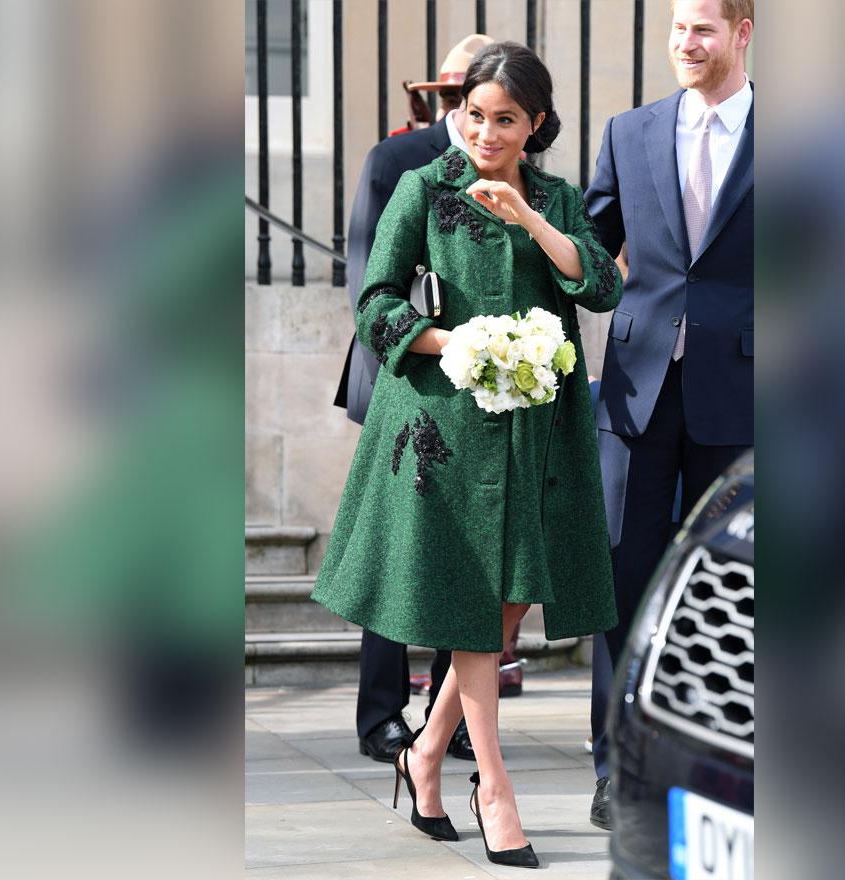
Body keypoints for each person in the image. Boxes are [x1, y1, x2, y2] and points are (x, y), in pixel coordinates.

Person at [312, 41, 622, 868]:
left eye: (506, 120)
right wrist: (458, 343)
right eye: (475, 116)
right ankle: (493, 784)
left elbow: (599, 285)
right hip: (445, 429)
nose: (486, 133)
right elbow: (376, 305)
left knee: (506, 610)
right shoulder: (424, 187)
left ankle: (422, 755)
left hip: (539, 434)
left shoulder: (554, 196)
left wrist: (528, 218)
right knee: (479, 613)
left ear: (536, 125)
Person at [583, 0, 754, 829]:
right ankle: (619, 770)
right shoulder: (629, 131)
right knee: (624, 576)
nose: (686, 43)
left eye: (703, 29)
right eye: (677, 28)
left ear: (742, 33)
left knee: (726, 586)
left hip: (747, 394)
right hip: (635, 392)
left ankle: (711, 773)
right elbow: (588, 249)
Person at [332, 33, 493, 766]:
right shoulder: (396, 159)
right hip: (404, 380)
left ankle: (447, 717)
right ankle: (380, 714)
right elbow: (369, 277)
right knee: (399, 549)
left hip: (486, 395)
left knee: (465, 555)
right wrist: (428, 351)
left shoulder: (513, 166)